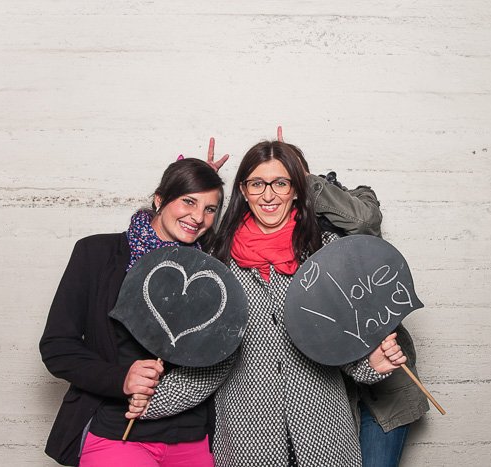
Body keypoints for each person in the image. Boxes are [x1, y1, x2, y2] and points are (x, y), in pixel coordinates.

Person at [135, 141, 407, 467]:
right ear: (243, 190)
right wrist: (151, 401)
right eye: (257, 184)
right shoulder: (217, 263)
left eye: (280, 183)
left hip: (325, 433)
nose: (268, 195)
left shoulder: (326, 253)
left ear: (297, 190)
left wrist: (372, 365)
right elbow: (211, 361)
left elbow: (340, 340)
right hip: (248, 439)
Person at [39, 145, 232, 466]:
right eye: (188, 201)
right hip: (117, 433)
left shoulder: (212, 271)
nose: (198, 217)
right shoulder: (96, 254)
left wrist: (299, 180)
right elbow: (58, 347)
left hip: (194, 438)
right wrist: (121, 379)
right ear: (159, 199)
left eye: (210, 209)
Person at [280, 129, 430, 467]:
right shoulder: (282, 235)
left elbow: (364, 222)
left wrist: (306, 181)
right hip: (333, 390)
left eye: (290, 177)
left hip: (387, 387)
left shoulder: (355, 199)